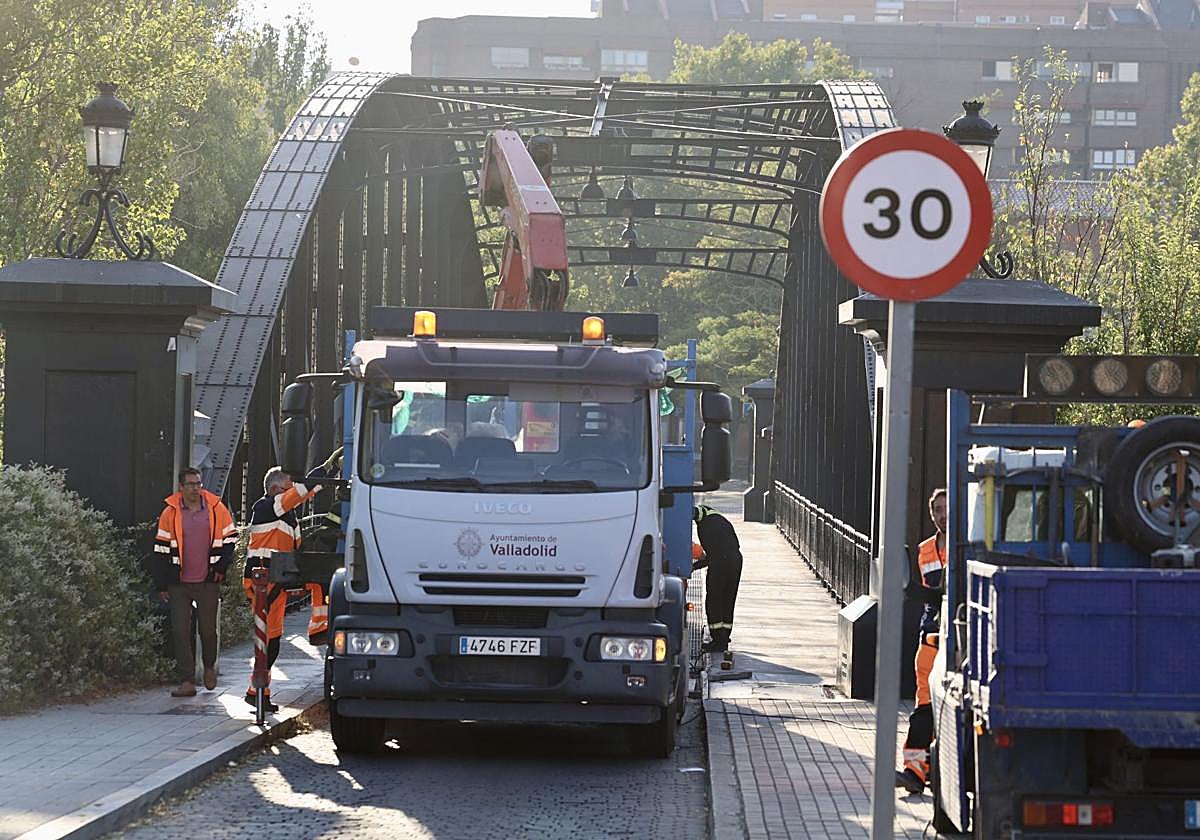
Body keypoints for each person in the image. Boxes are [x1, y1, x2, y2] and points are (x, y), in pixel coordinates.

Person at [243, 448, 342, 712]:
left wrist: (325, 475)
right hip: (263, 579)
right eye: (287, 486)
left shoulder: (285, 517)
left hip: (277, 577)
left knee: (320, 579)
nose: (292, 490)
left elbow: (302, 494)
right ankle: (257, 690)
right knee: (270, 640)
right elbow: (299, 492)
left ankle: (319, 626)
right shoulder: (266, 507)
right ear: (276, 488)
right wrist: (323, 472)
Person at [152, 468, 238, 698]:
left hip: (208, 580)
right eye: (190, 484)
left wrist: (221, 567)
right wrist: (161, 584)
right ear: (181, 487)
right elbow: (160, 549)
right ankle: (187, 680)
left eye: (198, 483)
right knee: (180, 631)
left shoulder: (216, 508)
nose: (195, 488)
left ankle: (209, 666)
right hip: (178, 582)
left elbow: (230, 539)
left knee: (208, 631)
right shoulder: (169, 513)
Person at [896, 488, 948, 795]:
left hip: (955, 636)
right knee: (923, 707)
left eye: (946, 509)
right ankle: (914, 771)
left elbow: (945, 594)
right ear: (931, 515)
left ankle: (925, 770)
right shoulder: (925, 549)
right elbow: (933, 597)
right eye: (937, 510)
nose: (943, 515)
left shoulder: (965, 545)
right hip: (929, 636)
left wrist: (918, 591)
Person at [693, 504, 744, 654]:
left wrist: (695, 566)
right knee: (728, 599)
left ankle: (717, 640)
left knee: (714, 600)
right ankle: (724, 637)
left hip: (721, 562)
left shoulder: (705, 527)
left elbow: (713, 555)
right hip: (735, 560)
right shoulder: (717, 518)